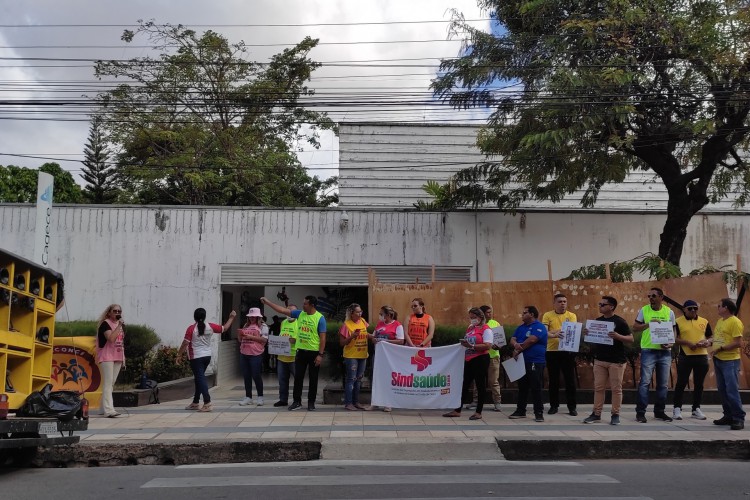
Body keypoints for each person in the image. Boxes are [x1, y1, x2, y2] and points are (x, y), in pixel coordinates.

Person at [262, 295, 327, 411]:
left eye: (305, 304)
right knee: (298, 378)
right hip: (301, 352)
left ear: (312, 305)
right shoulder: (299, 314)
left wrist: (320, 355)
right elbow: (282, 310)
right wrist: (268, 303)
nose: (303, 305)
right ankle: (297, 402)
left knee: (313, 378)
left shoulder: (320, 318)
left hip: (314, 353)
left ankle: (311, 403)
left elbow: (323, 338)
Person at [582, 296, 633, 426]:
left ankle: (615, 414)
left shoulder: (620, 322)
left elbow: (630, 339)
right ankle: (596, 413)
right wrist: (588, 333)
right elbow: (593, 339)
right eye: (599, 304)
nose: (600, 306)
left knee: (616, 389)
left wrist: (618, 336)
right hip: (600, 359)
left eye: (603, 304)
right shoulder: (597, 321)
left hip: (616, 361)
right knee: (598, 388)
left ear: (611, 307)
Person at [178, 307, 237, 412]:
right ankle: (195, 402)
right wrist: (231, 318)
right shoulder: (210, 326)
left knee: (200, 379)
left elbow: (185, 343)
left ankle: (207, 402)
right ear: (204, 317)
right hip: (207, 356)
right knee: (198, 379)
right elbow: (224, 328)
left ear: (195, 317)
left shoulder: (191, 328)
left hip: (196, 358)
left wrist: (179, 355)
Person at [633, 287, 677, 423]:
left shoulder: (669, 312)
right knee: (645, 382)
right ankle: (640, 412)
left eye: (653, 296)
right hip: (648, 350)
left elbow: (673, 329)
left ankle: (660, 412)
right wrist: (648, 324)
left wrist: (671, 343)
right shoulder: (644, 310)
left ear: (661, 298)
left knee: (663, 384)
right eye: (649, 296)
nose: (650, 298)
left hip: (665, 352)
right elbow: (635, 327)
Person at [443, 307, 494, 420]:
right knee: (464, 384)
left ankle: (479, 411)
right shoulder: (470, 328)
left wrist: (472, 346)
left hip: (480, 358)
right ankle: (457, 410)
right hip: (469, 359)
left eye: (474, 317)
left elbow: (487, 345)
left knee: (480, 385)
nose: (472, 320)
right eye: (470, 318)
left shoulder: (486, 329)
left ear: (480, 317)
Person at [672, 300, 712, 420]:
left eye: (695, 308)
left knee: (699, 384)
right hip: (685, 356)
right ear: (684, 309)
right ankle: (677, 408)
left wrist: (707, 342)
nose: (693, 310)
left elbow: (711, 337)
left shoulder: (704, 321)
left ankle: (696, 408)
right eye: (690, 309)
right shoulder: (678, 321)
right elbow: (673, 338)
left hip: (702, 356)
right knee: (681, 383)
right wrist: (687, 343)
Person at [710, 298, 745, 430]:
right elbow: (718, 337)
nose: (717, 308)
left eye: (719, 306)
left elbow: (738, 343)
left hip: (730, 360)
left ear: (726, 308)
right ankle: (728, 415)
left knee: (731, 390)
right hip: (718, 359)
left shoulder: (735, 322)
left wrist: (721, 348)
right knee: (722, 389)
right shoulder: (720, 321)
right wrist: (708, 342)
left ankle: (738, 418)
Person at [509, 306, 548, 422]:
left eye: (524, 313)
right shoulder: (521, 327)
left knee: (536, 387)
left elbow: (532, 340)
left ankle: (539, 412)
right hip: (522, 361)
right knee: (522, 387)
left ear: (531, 314)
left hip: (535, 361)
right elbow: (512, 339)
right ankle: (521, 410)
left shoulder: (539, 327)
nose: (522, 314)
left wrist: (518, 349)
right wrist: (515, 345)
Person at [542, 293, 578, 416]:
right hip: (552, 351)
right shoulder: (547, 315)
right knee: (553, 380)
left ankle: (572, 407)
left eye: (564, 301)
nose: (562, 304)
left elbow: (571, 330)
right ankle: (553, 405)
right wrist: (555, 334)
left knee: (570, 380)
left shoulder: (572, 315)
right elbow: (544, 332)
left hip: (567, 351)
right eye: (560, 301)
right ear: (554, 303)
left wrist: (552, 332)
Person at [367, 305, 405, 412]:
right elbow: (374, 337)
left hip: (390, 357)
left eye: (381, 314)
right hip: (378, 355)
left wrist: (385, 341)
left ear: (388, 315)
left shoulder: (397, 325)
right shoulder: (379, 324)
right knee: (376, 378)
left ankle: (388, 403)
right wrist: (372, 338)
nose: (380, 316)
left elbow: (401, 341)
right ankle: (375, 402)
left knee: (388, 378)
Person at [96, 304, 126, 418]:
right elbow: (111, 339)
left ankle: (102, 407)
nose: (117, 313)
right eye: (115, 311)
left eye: (119, 311)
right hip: (107, 356)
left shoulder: (119, 325)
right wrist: (119, 326)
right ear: (109, 312)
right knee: (108, 383)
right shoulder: (105, 324)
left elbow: (121, 342)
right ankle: (109, 410)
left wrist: (124, 357)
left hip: (118, 355)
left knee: (111, 382)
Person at [340, 303, 369, 411]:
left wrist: (373, 337)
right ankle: (348, 403)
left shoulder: (363, 321)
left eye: (360, 311)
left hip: (363, 355)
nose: (360, 313)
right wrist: (351, 337)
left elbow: (366, 334)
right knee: (351, 379)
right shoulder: (346, 325)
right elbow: (342, 343)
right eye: (357, 312)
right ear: (352, 313)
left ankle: (356, 402)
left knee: (359, 380)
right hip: (351, 356)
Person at [238, 307, 268, 407]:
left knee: (256, 375)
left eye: (254, 316)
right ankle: (248, 397)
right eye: (250, 316)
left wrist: (251, 337)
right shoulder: (246, 325)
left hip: (256, 354)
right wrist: (240, 335)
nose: (251, 318)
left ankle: (260, 397)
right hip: (244, 353)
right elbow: (240, 339)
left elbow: (264, 340)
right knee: (246, 376)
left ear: (258, 317)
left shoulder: (263, 326)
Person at [274, 305, 298, 407]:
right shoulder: (283, 323)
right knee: (282, 380)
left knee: (298, 380)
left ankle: (297, 400)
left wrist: (292, 340)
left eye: (292, 311)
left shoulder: (299, 323)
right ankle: (283, 400)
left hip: (294, 357)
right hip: (282, 356)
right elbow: (281, 336)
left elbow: (300, 339)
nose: (289, 313)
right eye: (288, 311)